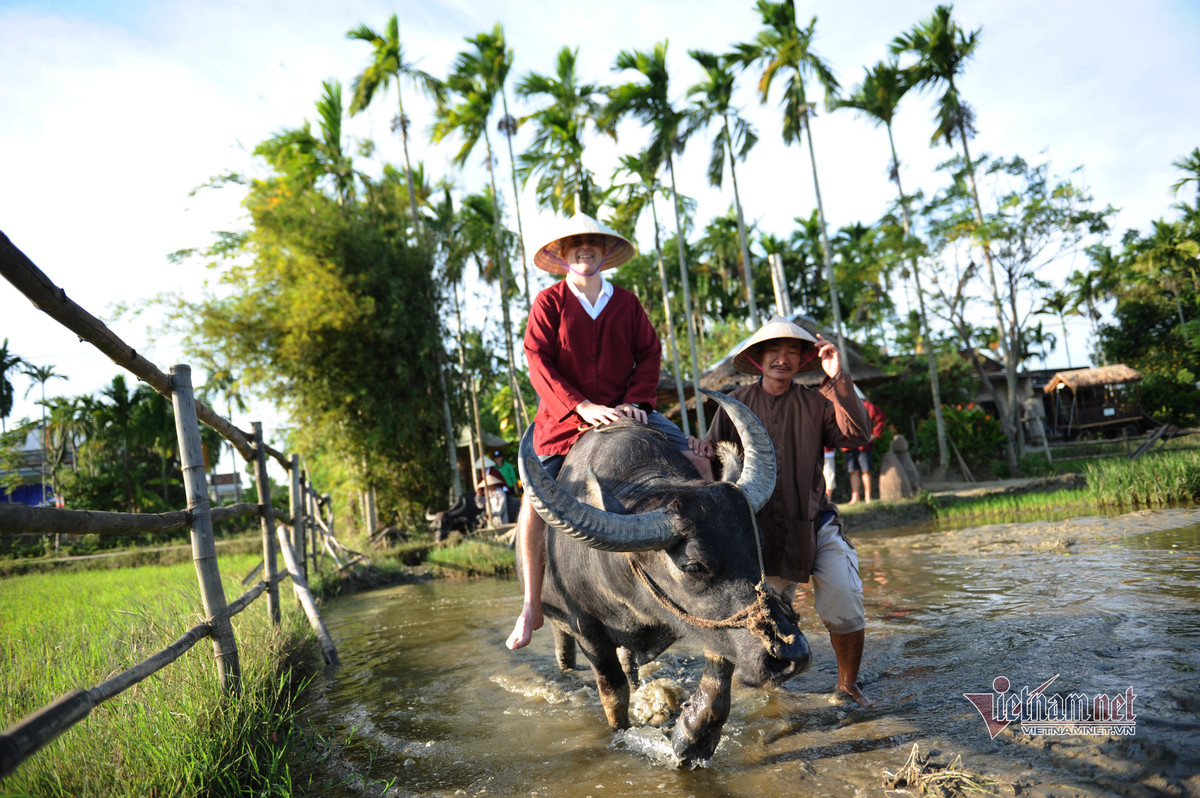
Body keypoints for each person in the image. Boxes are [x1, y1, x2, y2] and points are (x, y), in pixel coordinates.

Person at [506, 213, 712, 651]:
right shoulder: (549, 302)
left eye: (594, 242)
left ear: (605, 251)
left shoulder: (627, 303)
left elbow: (649, 352)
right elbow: (537, 359)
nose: (585, 248)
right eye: (575, 243)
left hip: (627, 411)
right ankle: (530, 604)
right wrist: (579, 405)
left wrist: (636, 402)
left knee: (698, 461)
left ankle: (714, 574)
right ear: (562, 254)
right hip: (563, 420)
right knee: (534, 499)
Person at [688, 315, 875, 705]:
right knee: (760, 625)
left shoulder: (816, 403)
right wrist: (702, 454)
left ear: (801, 361)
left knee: (844, 598)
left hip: (813, 521)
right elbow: (714, 458)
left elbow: (858, 434)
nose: (782, 359)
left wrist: (838, 377)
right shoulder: (736, 403)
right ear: (758, 359)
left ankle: (847, 686)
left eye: (792, 352)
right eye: (774, 350)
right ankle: (768, 701)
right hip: (756, 533)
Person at [844, 388, 887, 504]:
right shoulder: (844, 407)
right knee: (853, 471)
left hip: (864, 444)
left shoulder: (869, 406)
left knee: (865, 471)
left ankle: (868, 497)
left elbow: (881, 418)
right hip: (849, 444)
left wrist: (874, 434)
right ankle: (855, 497)